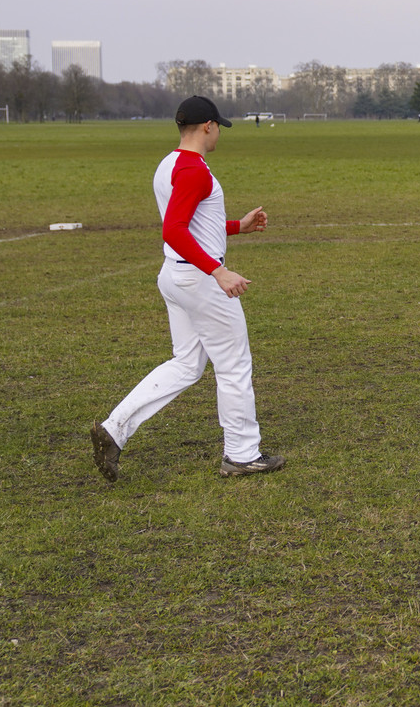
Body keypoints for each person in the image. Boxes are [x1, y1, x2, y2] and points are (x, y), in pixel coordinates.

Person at [90, 95, 283, 482]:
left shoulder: (169, 164)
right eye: (217, 128)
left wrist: (236, 227)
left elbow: (192, 223)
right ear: (208, 126)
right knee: (233, 365)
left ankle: (114, 428)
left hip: (177, 276)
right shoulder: (194, 169)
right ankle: (242, 454)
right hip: (199, 280)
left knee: (186, 364)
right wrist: (218, 271)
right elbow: (174, 229)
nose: (218, 135)